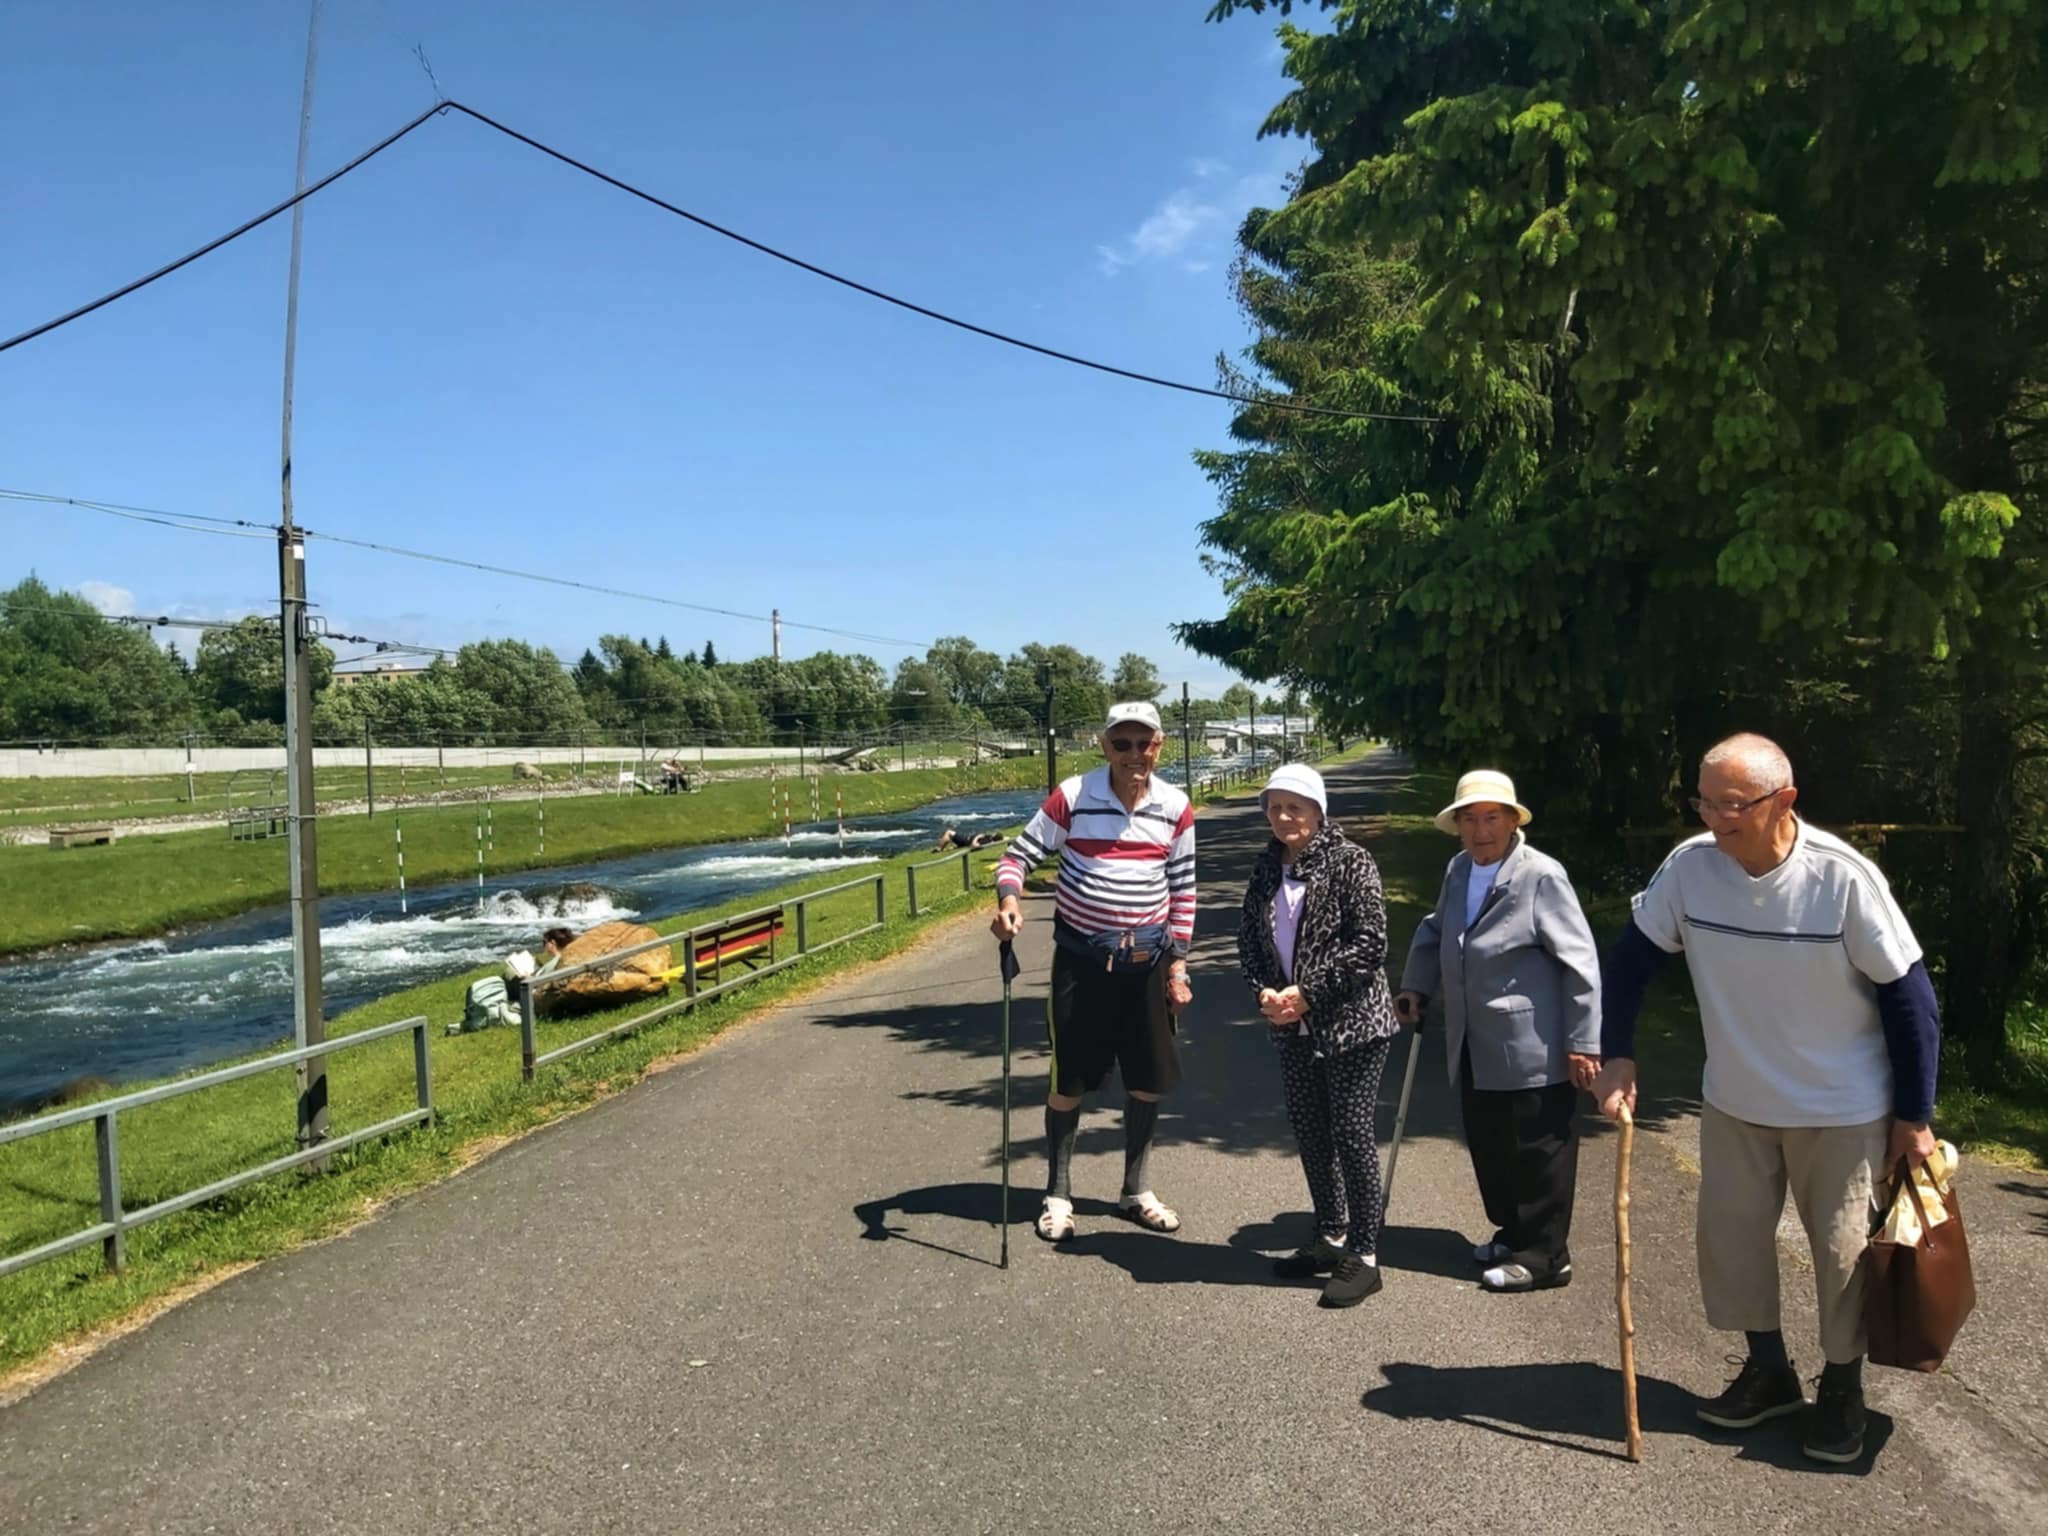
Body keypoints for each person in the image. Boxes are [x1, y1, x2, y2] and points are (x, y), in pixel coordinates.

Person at [1593, 733, 1941, 1465]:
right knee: (1733, 1243)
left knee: (1843, 1255)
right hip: (1735, 1099)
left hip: (1840, 1107)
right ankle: (1769, 1370)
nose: (1715, 818)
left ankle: (1841, 1389)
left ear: (1784, 801)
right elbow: (1629, 962)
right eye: (1704, 802)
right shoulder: (1689, 870)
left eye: (1732, 804)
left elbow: (1911, 1000)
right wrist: (1617, 1054)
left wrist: (1914, 1118)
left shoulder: (1841, 879)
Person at [993, 701, 1196, 1241]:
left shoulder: (1176, 806)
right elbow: (1016, 857)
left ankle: (1135, 1191)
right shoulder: (1074, 796)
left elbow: (1183, 889)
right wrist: (1009, 902)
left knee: (1148, 1081)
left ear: (1159, 746)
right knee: (1069, 1080)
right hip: (1082, 963)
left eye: (1144, 743)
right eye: (1121, 743)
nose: (1134, 754)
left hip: (1148, 966)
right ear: (1104, 746)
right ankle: (1058, 1194)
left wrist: (1178, 966)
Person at [1394, 770, 1601, 1293]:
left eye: (1491, 818)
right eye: (1469, 819)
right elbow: (1437, 928)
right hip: (1473, 1039)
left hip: (1534, 1045)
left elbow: (1580, 961)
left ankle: (1546, 1255)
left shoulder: (1541, 875)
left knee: (1539, 1150)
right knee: (1492, 1146)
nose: (1480, 830)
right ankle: (1514, 1234)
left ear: (1512, 821)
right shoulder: (1459, 869)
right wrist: (1416, 983)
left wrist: (1583, 1041)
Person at [1238, 763, 1398, 1308]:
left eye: (1295, 808)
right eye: (1275, 808)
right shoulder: (1267, 866)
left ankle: (1365, 1254)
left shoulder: (1351, 861)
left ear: (1318, 812)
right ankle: (1330, 1234)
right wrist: (1263, 991)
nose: (1284, 818)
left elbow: (1370, 943)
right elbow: (1249, 939)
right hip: (1293, 1026)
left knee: (1350, 1133)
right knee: (1311, 1132)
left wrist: (1308, 993)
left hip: (1353, 1024)